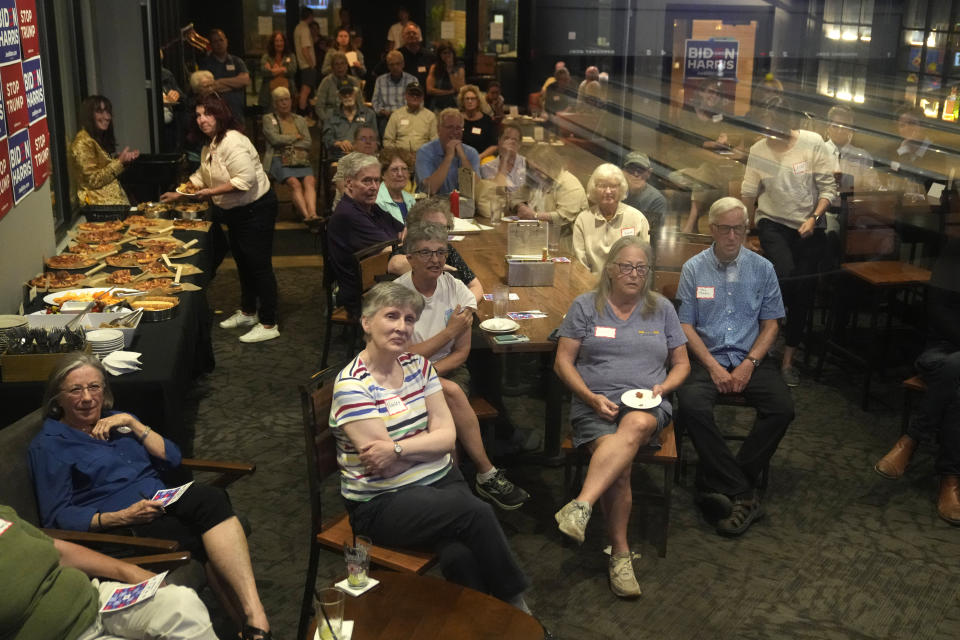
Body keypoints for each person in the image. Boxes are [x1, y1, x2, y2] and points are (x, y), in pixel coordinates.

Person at [28, 354, 273, 639]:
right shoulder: (49, 446)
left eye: (95, 387)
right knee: (207, 524)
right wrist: (118, 517)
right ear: (57, 399)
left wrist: (134, 424)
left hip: (162, 500)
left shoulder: (117, 421)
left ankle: (254, 621)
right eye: (75, 390)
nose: (87, 398)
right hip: (123, 528)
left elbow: (173, 458)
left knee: (212, 498)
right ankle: (254, 626)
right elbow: (56, 516)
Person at [331, 281, 531, 609]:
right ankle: (520, 612)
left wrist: (398, 447)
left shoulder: (418, 366)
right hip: (382, 502)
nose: (401, 327)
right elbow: (384, 464)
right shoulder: (352, 386)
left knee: (460, 554)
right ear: (366, 323)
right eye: (391, 316)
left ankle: (482, 625)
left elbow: (445, 439)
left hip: (438, 482)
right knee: (477, 512)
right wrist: (423, 445)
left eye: (409, 320)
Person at [554, 235, 689, 597]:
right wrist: (589, 397)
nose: (634, 274)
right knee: (621, 466)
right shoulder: (585, 306)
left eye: (641, 268)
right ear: (611, 269)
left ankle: (581, 505)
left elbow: (681, 364)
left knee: (639, 421)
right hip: (594, 404)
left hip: (647, 404)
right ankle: (620, 554)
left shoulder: (661, 308)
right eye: (627, 266)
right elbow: (562, 361)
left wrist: (663, 389)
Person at [675, 197, 795, 537]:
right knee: (693, 405)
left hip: (751, 358)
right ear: (712, 229)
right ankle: (744, 492)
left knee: (782, 408)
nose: (732, 236)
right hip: (705, 357)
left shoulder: (763, 268)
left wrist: (749, 364)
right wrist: (712, 366)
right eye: (725, 229)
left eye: (739, 229)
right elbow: (685, 326)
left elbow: (772, 324)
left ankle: (720, 479)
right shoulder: (694, 269)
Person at [395, 224, 530, 509]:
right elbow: (401, 357)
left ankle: (454, 492)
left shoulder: (456, 290)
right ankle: (483, 475)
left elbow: (462, 352)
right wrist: (447, 333)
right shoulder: (396, 296)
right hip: (402, 375)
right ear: (410, 258)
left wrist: (432, 371)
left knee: (446, 399)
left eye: (441, 252)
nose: (435, 259)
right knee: (450, 394)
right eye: (426, 253)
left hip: (447, 368)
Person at [161, 94, 280, 343]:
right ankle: (249, 312)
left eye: (208, 114)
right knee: (242, 262)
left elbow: (244, 181)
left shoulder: (233, 141)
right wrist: (179, 192)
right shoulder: (211, 144)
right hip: (236, 212)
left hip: (256, 209)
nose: (202, 119)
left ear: (220, 114)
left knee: (259, 266)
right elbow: (202, 176)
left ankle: (269, 323)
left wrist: (209, 193)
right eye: (199, 115)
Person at [1, 504, 217, 640]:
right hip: (67, 634)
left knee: (180, 604)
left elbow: (57, 550)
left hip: (97, 599)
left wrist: (129, 571)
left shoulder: (3, 513)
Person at [741, 96, 837, 386]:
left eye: (778, 124)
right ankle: (767, 340)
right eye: (768, 124)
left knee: (804, 292)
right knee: (784, 277)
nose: (773, 130)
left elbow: (828, 188)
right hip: (773, 223)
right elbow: (748, 191)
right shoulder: (759, 149)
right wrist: (746, 231)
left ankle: (787, 359)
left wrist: (814, 217)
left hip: (808, 226)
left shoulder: (812, 143)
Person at [873, 238, 960, 525]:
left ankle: (912, 439)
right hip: (944, 347)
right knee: (955, 372)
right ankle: (950, 480)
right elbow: (937, 311)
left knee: (955, 372)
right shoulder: (955, 248)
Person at [326, 152, 404, 318]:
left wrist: (397, 244)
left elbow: (403, 231)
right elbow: (392, 247)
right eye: (367, 180)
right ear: (349, 183)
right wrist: (397, 244)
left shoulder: (370, 207)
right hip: (363, 298)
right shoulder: (348, 215)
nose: (374, 187)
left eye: (376, 180)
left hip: (381, 284)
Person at [387, 196, 484, 304]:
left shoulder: (446, 249)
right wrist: (440, 266)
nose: (439, 234)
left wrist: (464, 309)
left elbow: (475, 286)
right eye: (432, 227)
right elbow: (394, 264)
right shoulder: (408, 247)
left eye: (443, 228)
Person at [573, 164, 650, 273]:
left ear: (621, 188)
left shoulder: (637, 219)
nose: (608, 191)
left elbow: (644, 261)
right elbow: (580, 264)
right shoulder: (583, 220)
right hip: (592, 285)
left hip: (627, 283)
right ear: (594, 189)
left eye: (613, 186)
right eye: (602, 186)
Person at [262, 86, 318, 228]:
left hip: (300, 158)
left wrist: (286, 141)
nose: (284, 103)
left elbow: (308, 142)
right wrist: (294, 137)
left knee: (310, 180)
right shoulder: (268, 119)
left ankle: (313, 214)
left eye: (286, 99)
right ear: (275, 104)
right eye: (280, 101)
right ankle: (307, 217)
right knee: (295, 183)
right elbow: (274, 140)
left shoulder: (299, 119)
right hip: (278, 158)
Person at [71, 95, 139, 206]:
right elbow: (92, 180)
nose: (107, 117)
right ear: (89, 115)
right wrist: (119, 162)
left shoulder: (96, 138)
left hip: (113, 205)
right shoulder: (82, 143)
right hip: (100, 209)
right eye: (100, 112)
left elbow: (102, 168)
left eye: (108, 112)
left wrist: (122, 160)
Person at [516, 145, 587, 250]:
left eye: (537, 169)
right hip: (539, 240)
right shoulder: (542, 179)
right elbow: (517, 196)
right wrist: (521, 206)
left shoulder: (569, 184)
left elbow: (563, 217)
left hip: (564, 246)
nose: (534, 174)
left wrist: (534, 215)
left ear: (550, 165)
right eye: (532, 170)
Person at [416, 108, 480, 195]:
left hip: (462, 204)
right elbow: (430, 190)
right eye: (450, 127)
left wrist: (462, 157)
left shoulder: (471, 153)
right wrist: (449, 157)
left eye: (458, 128)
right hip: (432, 204)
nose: (454, 132)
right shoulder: (425, 152)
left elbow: (474, 189)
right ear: (439, 130)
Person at [198, 29, 250, 124]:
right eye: (215, 41)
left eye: (221, 40)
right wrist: (234, 84)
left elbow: (245, 80)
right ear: (211, 45)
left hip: (236, 113)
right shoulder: (205, 64)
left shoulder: (236, 61)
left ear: (226, 41)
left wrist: (219, 82)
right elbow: (206, 89)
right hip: (215, 116)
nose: (219, 44)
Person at [621, 152, 667, 246]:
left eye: (641, 170)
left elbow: (652, 237)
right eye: (631, 169)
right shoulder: (615, 193)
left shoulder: (656, 200)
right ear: (623, 172)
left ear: (649, 173)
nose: (636, 174)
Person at [323, 85, 377, 161]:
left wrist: (360, 144)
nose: (347, 96)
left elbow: (375, 139)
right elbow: (327, 138)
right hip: (339, 157)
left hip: (363, 156)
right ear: (339, 96)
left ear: (356, 94)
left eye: (350, 93)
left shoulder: (368, 114)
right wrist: (339, 143)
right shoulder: (331, 115)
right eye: (343, 94)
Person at [372, 50, 418, 134]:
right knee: (383, 126)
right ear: (388, 66)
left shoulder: (412, 80)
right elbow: (375, 102)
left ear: (403, 64)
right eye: (391, 64)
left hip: (407, 116)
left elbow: (418, 102)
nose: (395, 67)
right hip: (387, 117)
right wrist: (382, 111)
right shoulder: (380, 80)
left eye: (398, 64)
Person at [383, 81, 437, 151]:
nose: (415, 97)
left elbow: (435, 142)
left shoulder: (430, 116)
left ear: (422, 97)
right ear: (406, 95)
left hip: (423, 156)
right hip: (399, 156)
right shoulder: (396, 115)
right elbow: (388, 141)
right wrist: (396, 156)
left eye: (418, 94)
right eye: (412, 94)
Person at [315, 54, 362, 125]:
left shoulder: (353, 81)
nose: (340, 67)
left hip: (351, 116)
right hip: (331, 116)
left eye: (342, 63)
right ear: (332, 67)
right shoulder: (326, 82)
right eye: (336, 64)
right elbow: (319, 106)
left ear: (347, 66)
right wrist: (326, 121)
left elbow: (360, 103)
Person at [479, 124, 526, 193]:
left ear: (519, 144)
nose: (510, 142)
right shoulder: (486, 168)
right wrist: (505, 157)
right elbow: (498, 193)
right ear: (499, 141)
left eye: (514, 140)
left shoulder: (527, 166)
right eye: (506, 138)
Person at [258, 30, 297, 110]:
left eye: (281, 41)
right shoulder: (266, 56)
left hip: (287, 95)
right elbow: (264, 72)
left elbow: (292, 70)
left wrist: (274, 70)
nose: (279, 43)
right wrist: (282, 69)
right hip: (270, 97)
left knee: (286, 120)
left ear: (284, 42)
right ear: (273, 43)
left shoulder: (290, 56)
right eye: (276, 41)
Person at [376, 147, 416, 224]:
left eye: (404, 169)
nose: (400, 174)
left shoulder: (411, 199)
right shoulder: (376, 201)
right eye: (394, 170)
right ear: (383, 174)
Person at [459, 84, 498, 159]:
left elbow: (494, 145)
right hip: (460, 158)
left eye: (473, 99)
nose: (470, 101)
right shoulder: (457, 119)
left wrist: (479, 157)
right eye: (467, 99)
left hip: (481, 157)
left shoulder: (486, 120)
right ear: (462, 101)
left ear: (478, 101)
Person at [426, 41, 464, 111]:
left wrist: (450, 69)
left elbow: (459, 89)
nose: (447, 55)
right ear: (440, 55)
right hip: (437, 105)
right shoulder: (434, 68)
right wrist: (448, 92)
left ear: (453, 53)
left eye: (449, 53)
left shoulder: (459, 67)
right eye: (444, 53)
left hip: (455, 105)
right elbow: (429, 90)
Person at [293, 7, 317, 114]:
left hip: (302, 65)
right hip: (306, 65)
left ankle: (305, 113)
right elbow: (305, 49)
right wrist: (311, 64)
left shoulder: (298, 28)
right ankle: (302, 114)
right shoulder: (304, 29)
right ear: (310, 16)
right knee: (305, 91)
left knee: (306, 91)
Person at [397, 22, 434, 87]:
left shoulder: (430, 55)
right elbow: (377, 73)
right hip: (403, 95)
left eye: (414, 33)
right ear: (403, 36)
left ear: (419, 36)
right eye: (408, 33)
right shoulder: (397, 55)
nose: (411, 35)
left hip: (425, 96)